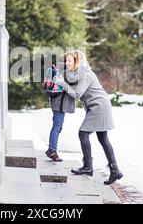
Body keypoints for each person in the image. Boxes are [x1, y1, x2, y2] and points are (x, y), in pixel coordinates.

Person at [53, 50, 123, 185]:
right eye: (66, 61)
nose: (66, 63)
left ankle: (88, 166)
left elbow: (77, 93)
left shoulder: (86, 74)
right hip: (97, 107)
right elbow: (70, 80)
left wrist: (62, 83)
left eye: (69, 61)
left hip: (99, 107)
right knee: (103, 138)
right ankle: (114, 170)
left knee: (83, 133)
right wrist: (59, 75)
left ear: (77, 62)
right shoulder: (78, 74)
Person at [44, 58, 76, 162]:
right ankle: (52, 150)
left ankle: (52, 149)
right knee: (57, 127)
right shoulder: (65, 73)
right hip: (59, 103)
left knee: (57, 126)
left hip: (55, 101)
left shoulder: (56, 70)